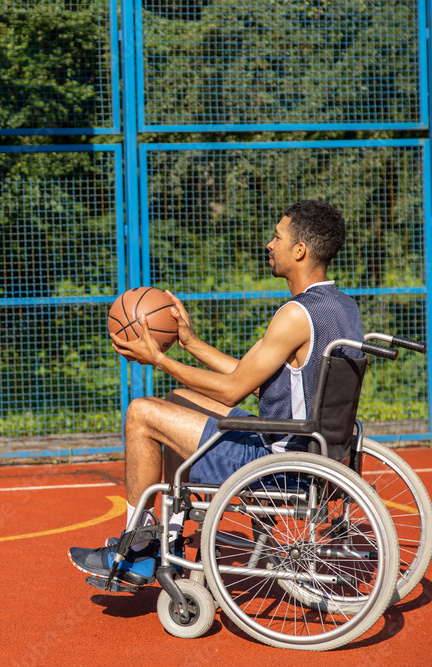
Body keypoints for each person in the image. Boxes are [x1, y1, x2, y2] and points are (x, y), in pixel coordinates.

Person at [69, 200, 363, 586]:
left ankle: (138, 550)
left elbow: (232, 391)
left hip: (273, 464)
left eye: (277, 236)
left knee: (141, 412)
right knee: (177, 401)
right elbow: (253, 378)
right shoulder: (340, 307)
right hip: (312, 451)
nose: (269, 244)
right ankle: (168, 536)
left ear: (300, 251)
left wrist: (159, 359)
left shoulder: (295, 315)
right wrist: (189, 344)